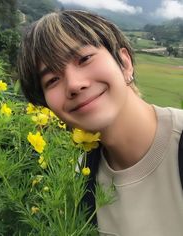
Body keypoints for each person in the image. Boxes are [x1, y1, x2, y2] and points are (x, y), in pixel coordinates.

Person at [17, 10, 183, 236]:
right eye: (52, 79)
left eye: (84, 59)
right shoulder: (80, 178)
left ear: (124, 63)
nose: (74, 84)